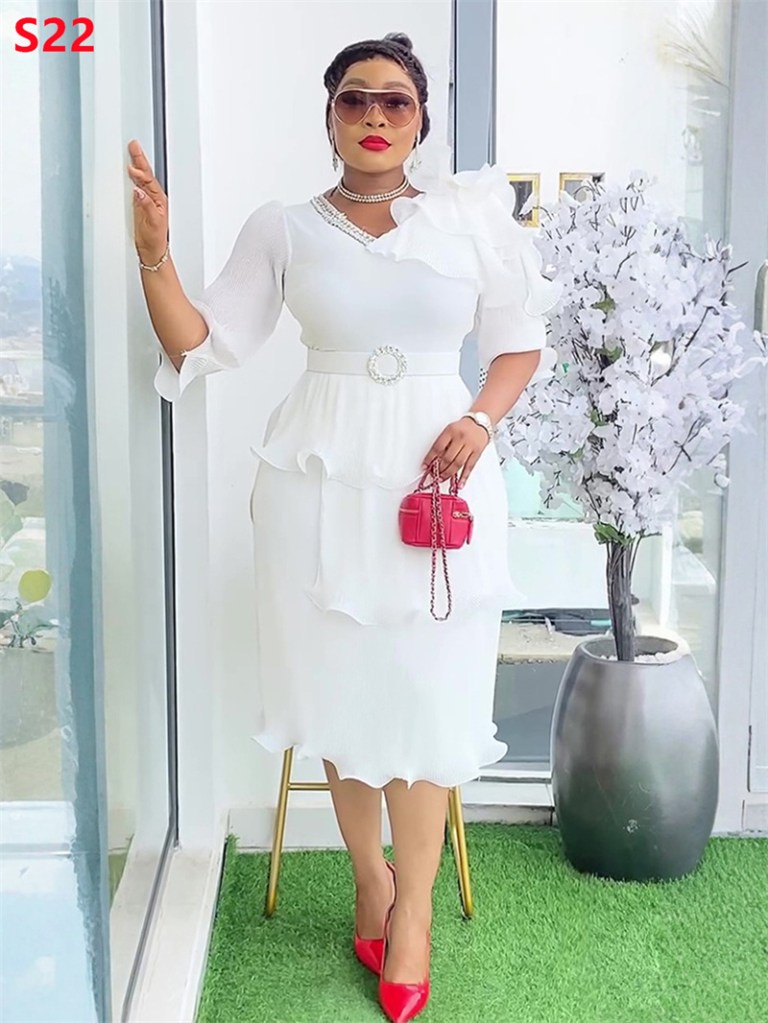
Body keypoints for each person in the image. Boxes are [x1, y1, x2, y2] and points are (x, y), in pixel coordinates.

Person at [127, 31, 560, 1023]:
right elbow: (201, 340)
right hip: (314, 485)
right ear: (328, 115)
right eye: (354, 98)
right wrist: (155, 255)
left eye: (394, 101)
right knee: (338, 688)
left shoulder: (469, 220)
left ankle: (415, 917)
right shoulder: (282, 228)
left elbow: (518, 344)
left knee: (425, 694)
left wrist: (479, 421)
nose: (373, 116)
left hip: (440, 483)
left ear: (420, 120)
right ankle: (371, 882)